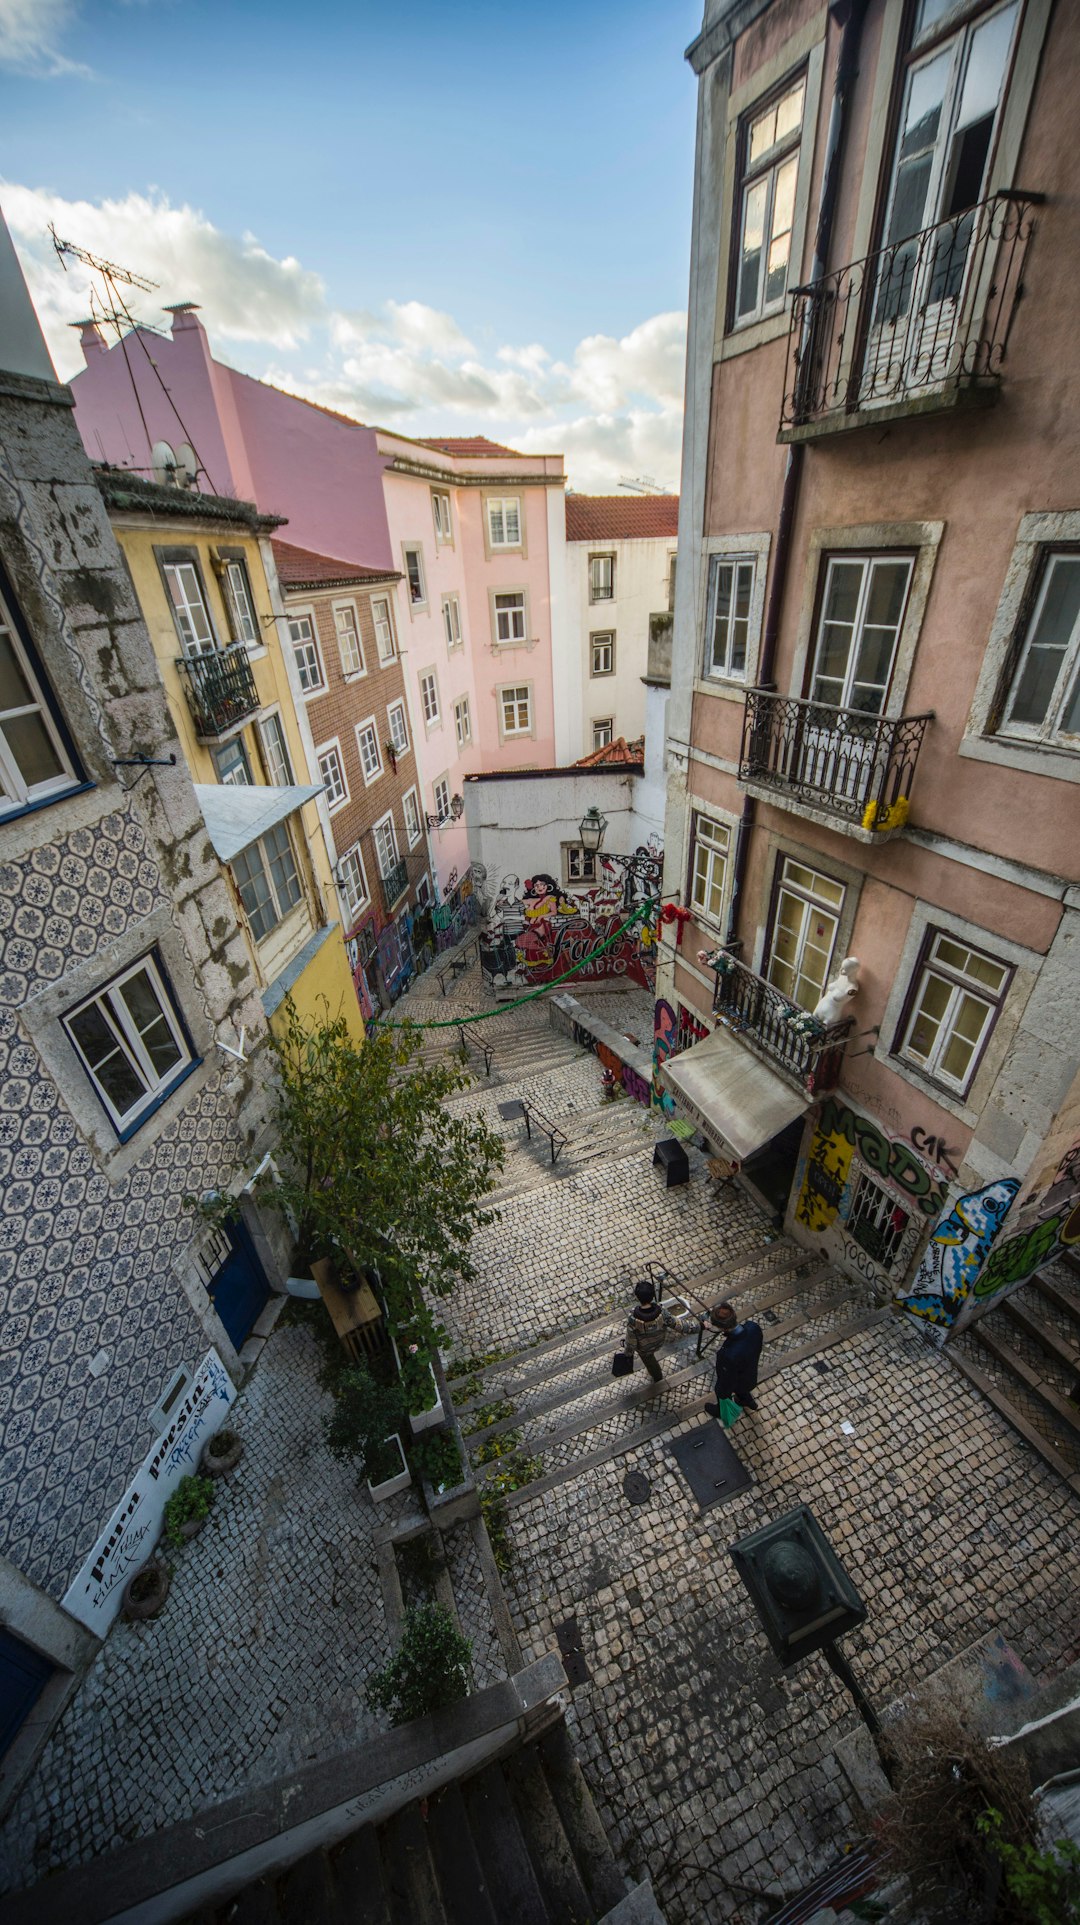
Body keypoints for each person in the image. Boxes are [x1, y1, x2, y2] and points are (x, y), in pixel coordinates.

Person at [623, 1279, 693, 1388]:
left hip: (644, 1349)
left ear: (637, 1297)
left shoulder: (633, 1319)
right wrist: (700, 1326)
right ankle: (658, 1377)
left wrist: (628, 1354)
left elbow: (631, 1341)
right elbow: (680, 1325)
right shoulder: (662, 1312)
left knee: (650, 1362)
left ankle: (658, 1377)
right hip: (659, 1342)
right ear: (652, 1296)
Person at [704, 1301, 763, 1416]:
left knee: (724, 1390)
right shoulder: (753, 1327)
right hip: (751, 1375)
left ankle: (722, 1412)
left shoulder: (728, 1354)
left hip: (738, 1380)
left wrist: (721, 1392)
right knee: (743, 1389)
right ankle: (748, 1401)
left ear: (722, 1328)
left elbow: (726, 1380)